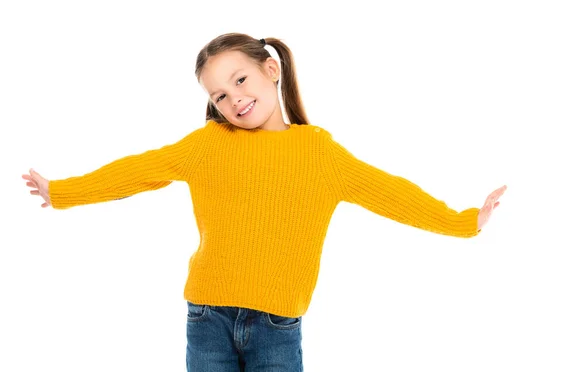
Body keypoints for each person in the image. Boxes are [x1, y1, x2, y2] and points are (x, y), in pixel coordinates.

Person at [22, 32, 507, 372]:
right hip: (207, 316)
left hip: (277, 325)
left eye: (240, 80)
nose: (232, 98)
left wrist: (465, 221)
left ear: (270, 69)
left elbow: (389, 193)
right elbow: (135, 171)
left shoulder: (318, 153)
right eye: (218, 95)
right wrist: (63, 192)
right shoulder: (208, 144)